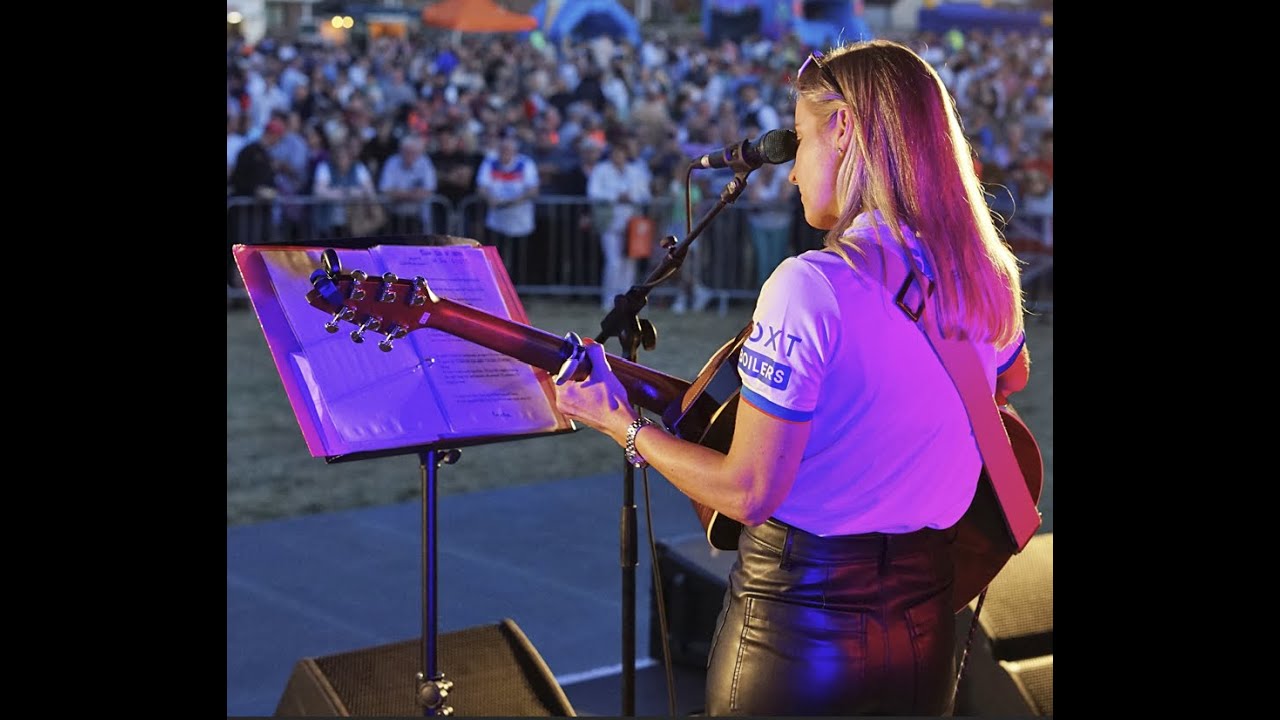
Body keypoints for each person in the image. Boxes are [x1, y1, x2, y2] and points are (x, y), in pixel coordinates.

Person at [553, 39, 1030, 716]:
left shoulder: (811, 287)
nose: (792, 173)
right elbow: (1009, 377)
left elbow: (746, 491)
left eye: (801, 139)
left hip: (802, 628)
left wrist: (619, 424)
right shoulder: (981, 276)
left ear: (843, 130)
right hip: (924, 625)